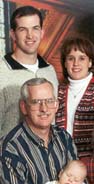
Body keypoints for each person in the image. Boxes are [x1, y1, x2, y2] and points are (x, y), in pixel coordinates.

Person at [0, 5, 58, 138]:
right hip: (10, 156)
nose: (30, 35)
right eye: (22, 30)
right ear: (13, 34)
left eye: (35, 28)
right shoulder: (1, 72)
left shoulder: (50, 71)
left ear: (42, 33)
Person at [56, 36, 94, 158]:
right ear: (65, 63)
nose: (76, 63)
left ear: (90, 62)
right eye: (71, 58)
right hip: (61, 161)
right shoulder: (57, 91)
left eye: (82, 58)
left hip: (92, 162)